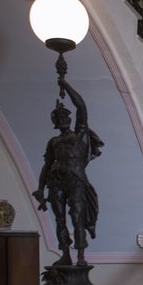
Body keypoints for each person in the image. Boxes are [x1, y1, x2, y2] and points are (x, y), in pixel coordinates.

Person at [32, 78, 103, 266]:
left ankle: (80, 256)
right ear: (54, 122)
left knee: (77, 215)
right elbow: (47, 165)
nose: (61, 119)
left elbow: (81, 106)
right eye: (58, 118)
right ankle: (65, 254)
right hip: (56, 180)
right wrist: (40, 189)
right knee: (60, 219)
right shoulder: (53, 142)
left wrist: (65, 85)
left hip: (75, 179)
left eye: (64, 117)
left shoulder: (79, 133)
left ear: (70, 119)